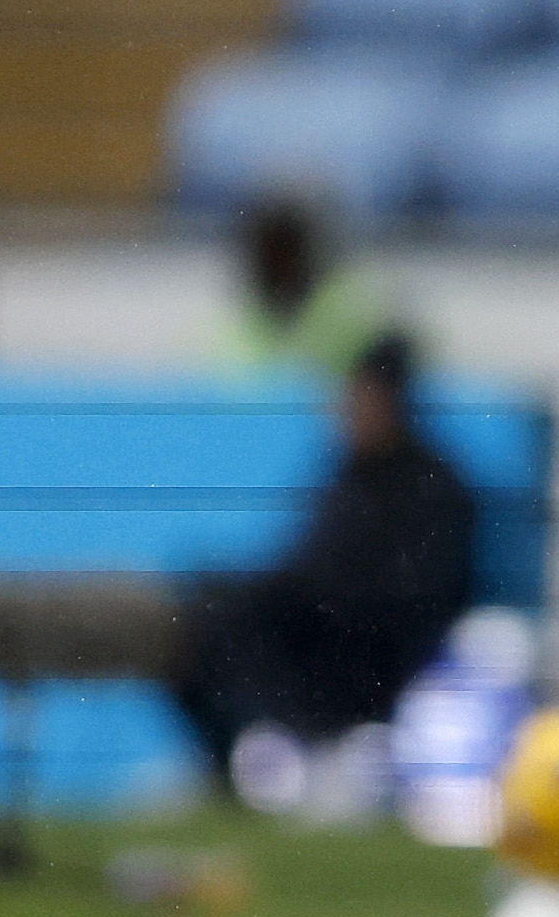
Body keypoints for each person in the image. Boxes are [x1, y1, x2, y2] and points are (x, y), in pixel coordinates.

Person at [165, 334, 477, 796]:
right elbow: (305, 560)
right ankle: (230, 761)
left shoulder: (433, 486)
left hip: (375, 651)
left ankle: (305, 751)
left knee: (250, 617)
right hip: (317, 624)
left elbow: (418, 592)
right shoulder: (346, 475)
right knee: (202, 614)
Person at [216, 194, 393, 376]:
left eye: (286, 252)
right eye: (272, 252)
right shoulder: (233, 325)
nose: (280, 261)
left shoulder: (348, 316)